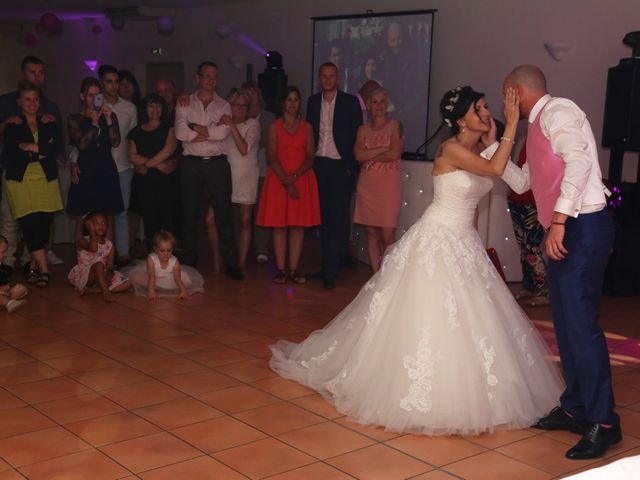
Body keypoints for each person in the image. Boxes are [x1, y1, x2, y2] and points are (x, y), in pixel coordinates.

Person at [270, 85, 564, 436]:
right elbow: (496, 166)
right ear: (460, 119)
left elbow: (511, 177)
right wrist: (513, 126)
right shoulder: (451, 149)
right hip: (437, 238)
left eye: (487, 107)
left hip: (464, 244)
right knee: (428, 316)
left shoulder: (481, 149)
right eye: (479, 108)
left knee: (471, 320)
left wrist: (523, 145)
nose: (486, 113)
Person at [502, 65, 620, 459]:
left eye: (506, 95)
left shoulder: (558, 111)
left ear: (515, 92)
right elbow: (522, 183)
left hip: (582, 225)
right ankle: (576, 406)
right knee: (566, 324)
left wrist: (558, 221)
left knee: (582, 324)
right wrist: (493, 142)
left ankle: (605, 423)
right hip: (568, 226)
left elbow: (581, 163)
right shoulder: (534, 127)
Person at [174, 61, 244, 280]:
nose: (210, 80)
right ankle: (189, 259)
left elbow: (222, 133)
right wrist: (207, 132)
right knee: (189, 213)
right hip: (191, 164)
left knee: (223, 214)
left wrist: (194, 127)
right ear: (198, 78)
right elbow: (179, 133)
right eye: (206, 75)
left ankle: (230, 263)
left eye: (214, 76)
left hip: (216, 163)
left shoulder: (224, 105)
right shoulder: (185, 102)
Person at [0, 55, 64, 272]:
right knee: (11, 220)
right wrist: (5, 125)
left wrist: (32, 149)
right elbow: (12, 148)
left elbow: (57, 145)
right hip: (15, 172)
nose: (37, 77)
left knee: (38, 222)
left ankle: (31, 262)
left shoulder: (51, 107)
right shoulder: (5, 103)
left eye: (41, 72)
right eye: (32, 72)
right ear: (23, 74)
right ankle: (6, 262)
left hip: (43, 176)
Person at [306, 62, 362, 289]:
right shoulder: (312, 102)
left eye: (331, 76)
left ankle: (331, 270)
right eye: (323, 76)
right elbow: (309, 133)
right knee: (323, 218)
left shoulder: (349, 102)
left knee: (337, 219)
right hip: (319, 165)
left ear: (337, 78)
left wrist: (351, 167)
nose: (327, 80)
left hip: (341, 166)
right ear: (319, 78)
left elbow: (358, 134)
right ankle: (328, 266)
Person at [256, 87, 321, 284]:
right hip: (278, 180)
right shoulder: (274, 127)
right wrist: (286, 179)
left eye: (296, 100)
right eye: (289, 99)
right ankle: (280, 270)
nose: (293, 103)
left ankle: (293, 270)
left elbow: (310, 156)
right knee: (279, 226)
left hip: (301, 179)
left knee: (298, 227)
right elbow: (271, 156)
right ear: (283, 103)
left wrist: (295, 177)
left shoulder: (307, 127)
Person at [66, 77, 124, 239]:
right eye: (90, 95)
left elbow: (116, 142)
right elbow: (81, 145)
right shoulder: (74, 119)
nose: (94, 99)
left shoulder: (109, 116)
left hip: (105, 169)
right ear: (82, 97)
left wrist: (110, 121)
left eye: (98, 95)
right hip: (86, 170)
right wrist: (94, 123)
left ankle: (109, 262)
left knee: (108, 218)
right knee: (82, 218)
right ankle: (82, 261)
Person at [353, 88, 403, 273]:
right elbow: (358, 154)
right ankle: (376, 276)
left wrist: (370, 154)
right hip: (368, 186)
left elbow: (395, 153)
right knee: (371, 232)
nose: (379, 106)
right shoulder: (362, 130)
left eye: (382, 101)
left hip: (389, 187)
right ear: (368, 104)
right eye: (375, 102)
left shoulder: (395, 126)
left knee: (388, 235)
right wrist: (383, 149)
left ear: (387, 103)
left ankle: (389, 275)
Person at [127, 94, 179, 251]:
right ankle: (153, 257)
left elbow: (168, 150)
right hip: (144, 182)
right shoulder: (136, 131)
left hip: (165, 182)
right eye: (151, 106)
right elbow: (132, 156)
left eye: (158, 106)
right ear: (145, 108)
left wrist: (148, 164)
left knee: (167, 220)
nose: (155, 110)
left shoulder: (169, 128)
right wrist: (156, 165)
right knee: (149, 220)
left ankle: (169, 258)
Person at [218, 88, 260, 276]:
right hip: (225, 177)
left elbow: (244, 148)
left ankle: (241, 263)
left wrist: (232, 126)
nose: (241, 109)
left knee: (244, 221)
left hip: (246, 176)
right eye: (237, 105)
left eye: (244, 106)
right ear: (230, 105)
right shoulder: (221, 124)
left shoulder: (253, 125)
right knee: (214, 219)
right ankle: (219, 261)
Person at [98, 65, 138, 265]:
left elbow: (134, 138)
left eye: (116, 82)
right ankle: (104, 255)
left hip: (123, 166)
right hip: (100, 167)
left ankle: (123, 254)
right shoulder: (95, 104)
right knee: (102, 214)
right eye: (109, 81)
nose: (114, 86)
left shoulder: (130, 108)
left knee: (122, 213)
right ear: (102, 83)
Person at [508, 144, 549, 307]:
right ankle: (529, 287)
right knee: (523, 248)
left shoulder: (547, 136)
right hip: (517, 199)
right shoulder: (525, 138)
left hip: (536, 202)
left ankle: (544, 291)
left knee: (531, 246)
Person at [241, 81, 275, 265]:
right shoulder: (238, 116)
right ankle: (241, 248)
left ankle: (261, 248)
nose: (249, 96)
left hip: (262, 169)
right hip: (242, 171)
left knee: (260, 211)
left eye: (252, 92)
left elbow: (267, 142)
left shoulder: (269, 117)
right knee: (243, 213)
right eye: (245, 93)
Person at [68, 212, 130, 303]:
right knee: (99, 264)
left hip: (102, 273)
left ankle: (91, 291)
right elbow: (93, 248)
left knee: (128, 283)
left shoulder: (110, 245)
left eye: (103, 223)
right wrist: (91, 231)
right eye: (96, 223)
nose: (101, 226)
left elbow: (110, 265)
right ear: (89, 226)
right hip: (86, 275)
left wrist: (109, 275)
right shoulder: (83, 240)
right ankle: (106, 293)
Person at [124, 230, 203, 299]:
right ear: (156, 249)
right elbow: (152, 276)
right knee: (135, 277)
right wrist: (151, 291)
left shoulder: (175, 262)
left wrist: (184, 291)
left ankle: (164, 289)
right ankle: (154, 288)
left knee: (186, 282)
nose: (166, 254)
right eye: (162, 251)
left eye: (169, 250)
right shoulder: (151, 259)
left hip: (170, 281)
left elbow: (177, 278)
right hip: (154, 280)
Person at [0, 235, 28, 314]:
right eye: (3, 252)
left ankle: (9, 301)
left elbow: (4, 280)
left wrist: (7, 287)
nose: (5, 254)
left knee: (20, 289)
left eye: (6, 251)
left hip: (2, 291)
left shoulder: (1, 265)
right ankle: (9, 303)